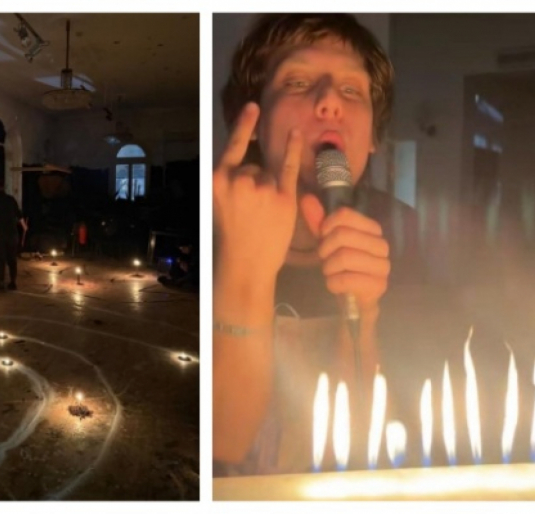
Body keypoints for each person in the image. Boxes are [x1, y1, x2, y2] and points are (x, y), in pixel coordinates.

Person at [213, 14, 427, 476]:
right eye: (297, 82)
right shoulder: (211, 227)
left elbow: (371, 445)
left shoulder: (402, 230)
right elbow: (224, 445)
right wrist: (243, 274)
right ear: (252, 118)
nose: (330, 101)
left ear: (373, 136)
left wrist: (363, 316)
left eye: (352, 90)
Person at [0, 179, 26, 290]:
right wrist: (24, 226)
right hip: (12, 234)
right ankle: (13, 282)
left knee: (0, 260)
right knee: (12, 259)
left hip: (0, 235)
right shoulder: (11, 199)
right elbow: (19, 215)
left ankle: (1, 283)